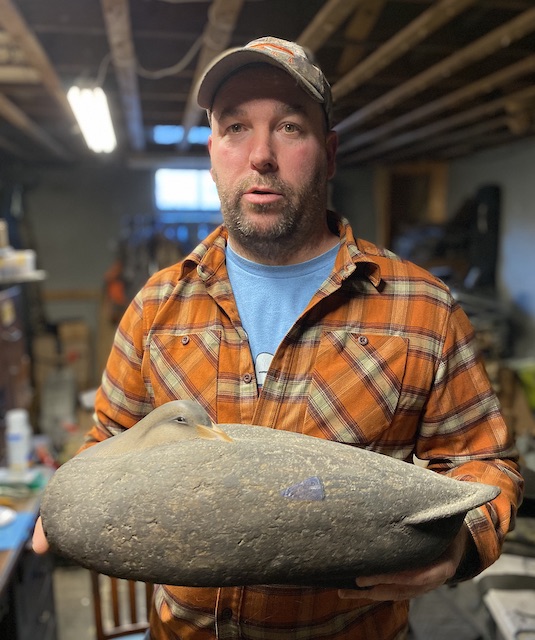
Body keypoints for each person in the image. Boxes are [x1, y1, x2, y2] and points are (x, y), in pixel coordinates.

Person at [33, 36, 523, 639]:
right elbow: (110, 438)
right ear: (213, 150)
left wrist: (460, 549)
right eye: (235, 126)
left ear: (330, 152)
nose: (260, 155)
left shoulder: (424, 308)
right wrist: (77, 498)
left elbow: (484, 464)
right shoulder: (157, 304)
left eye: (290, 127)